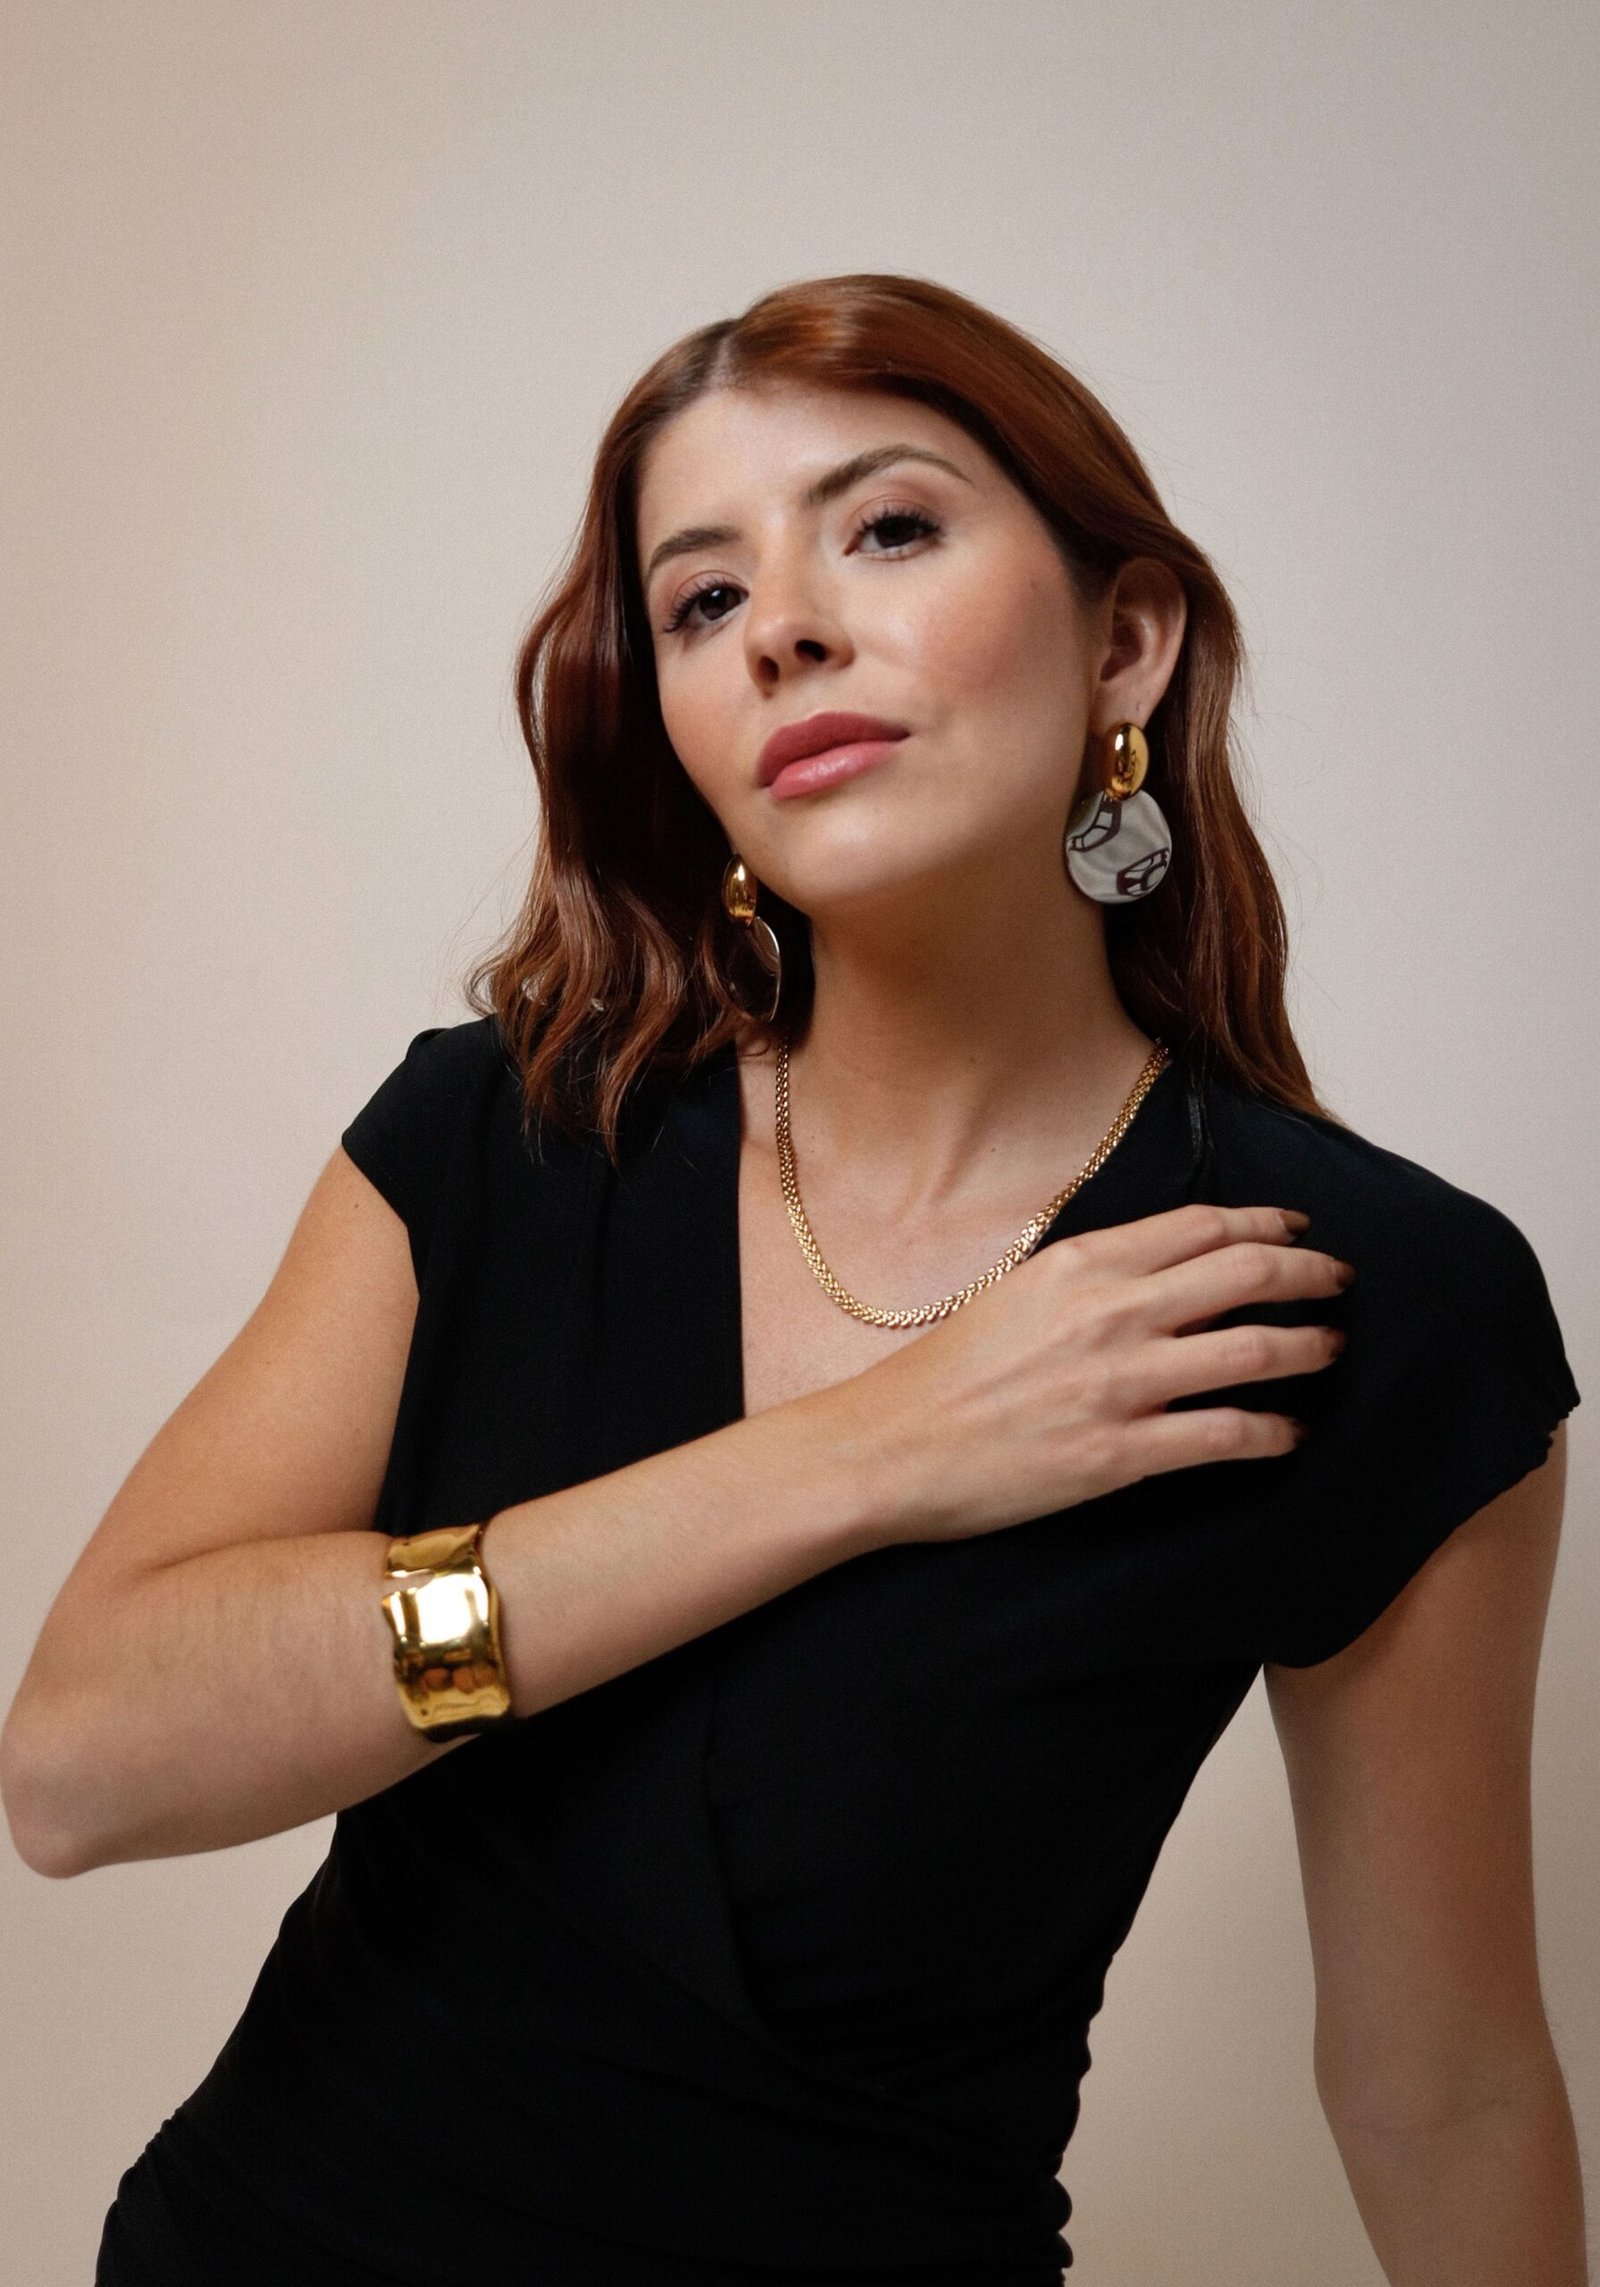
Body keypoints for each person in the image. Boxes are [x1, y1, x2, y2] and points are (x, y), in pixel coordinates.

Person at [3, 273, 1584, 2285]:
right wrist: (874, 1451)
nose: (784, 629)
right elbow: (78, 1766)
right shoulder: (509, 1132)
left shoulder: (1363, 1298)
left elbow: (1444, 2087)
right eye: (700, 600)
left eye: (889, 527)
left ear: (1124, 639)